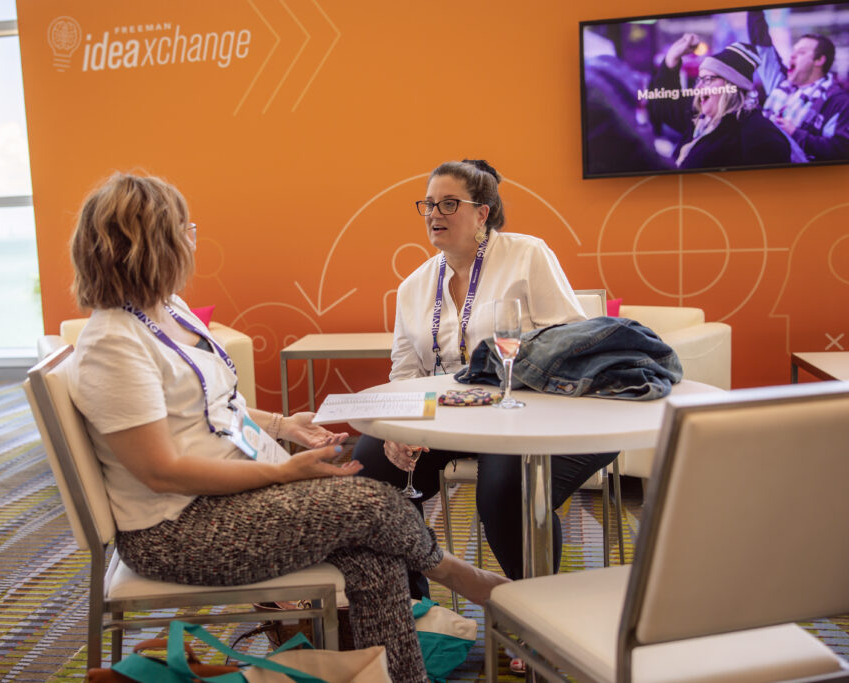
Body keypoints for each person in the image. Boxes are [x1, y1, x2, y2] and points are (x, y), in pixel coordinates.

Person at [64, 172, 508, 683]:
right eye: (183, 226)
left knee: (375, 559)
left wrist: (283, 425)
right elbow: (160, 471)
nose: (194, 233)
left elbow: (215, 406)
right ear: (150, 244)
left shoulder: (169, 311)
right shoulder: (112, 343)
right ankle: (466, 580)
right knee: (372, 499)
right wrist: (285, 475)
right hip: (178, 530)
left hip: (223, 502)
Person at [352, 159, 617, 592]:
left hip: (523, 412)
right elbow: (404, 370)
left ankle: (538, 614)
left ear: (482, 213)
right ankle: (412, 604)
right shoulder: (413, 287)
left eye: (450, 203)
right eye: (429, 204)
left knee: (504, 493)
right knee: (371, 470)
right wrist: (398, 429)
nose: (435, 214)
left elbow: (569, 340)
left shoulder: (526, 255)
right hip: (449, 417)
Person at [647, 37, 791, 169]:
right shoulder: (702, 121)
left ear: (731, 85)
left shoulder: (758, 133)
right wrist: (672, 59)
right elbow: (664, 106)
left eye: (708, 80)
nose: (698, 88)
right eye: (699, 80)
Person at [747, 10, 849, 162]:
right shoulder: (780, 83)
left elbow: (841, 149)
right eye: (793, 51)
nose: (792, 55)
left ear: (819, 60)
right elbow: (760, 42)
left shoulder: (838, 101)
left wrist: (795, 133)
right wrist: (753, 7)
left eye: (801, 52)